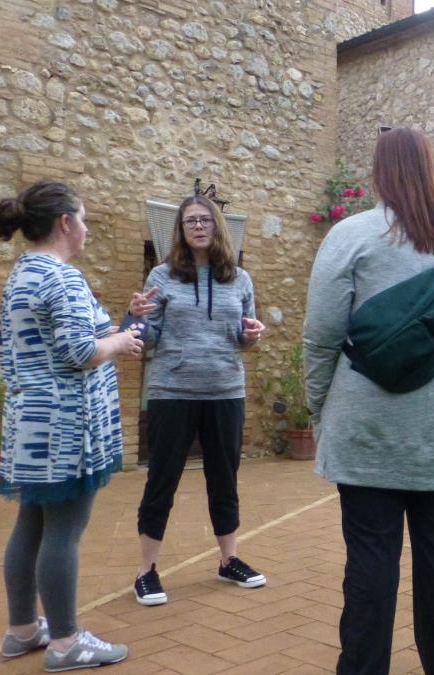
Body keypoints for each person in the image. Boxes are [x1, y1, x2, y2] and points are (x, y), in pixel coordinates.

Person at [303, 127, 434, 675]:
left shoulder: (351, 236)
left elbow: (321, 337)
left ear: (380, 172)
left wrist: (318, 408)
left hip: (367, 423)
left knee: (370, 563)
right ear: (432, 171)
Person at [0, 180, 135, 670]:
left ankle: (22, 630)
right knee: (63, 532)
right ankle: (67, 643)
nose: (88, 229)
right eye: (84, 219)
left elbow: (59, 340)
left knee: (31, 524)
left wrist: (119, 325)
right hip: (67, 428)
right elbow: (80, 352)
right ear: (65, 222)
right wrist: (120, 343)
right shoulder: (63, 277)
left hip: (32, 424)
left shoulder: (23, 273)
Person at [127, 192, 267, 606]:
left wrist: (252, 335)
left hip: (225, 391)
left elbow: (244, 338)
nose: (199, 226)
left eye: (205, 219)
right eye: (191, 221)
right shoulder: (162, 275)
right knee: (162, 480)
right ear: (181, 230)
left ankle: (229, 560)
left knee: (224, 478)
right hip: (172, 392)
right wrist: (135, 317)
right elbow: (147, 338)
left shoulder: (239, 279)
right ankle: (146, 571)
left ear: (217, 227)